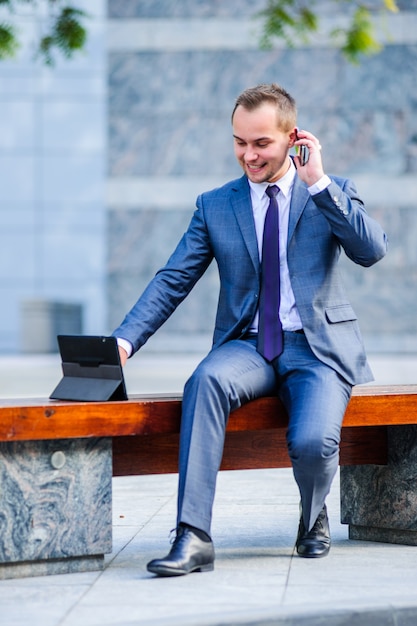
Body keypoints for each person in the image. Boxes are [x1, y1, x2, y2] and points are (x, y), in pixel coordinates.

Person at [112, 83, 388, 575]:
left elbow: (371, 250)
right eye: (240, 142)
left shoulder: (331, 191)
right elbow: (174, 278)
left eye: (261, 143)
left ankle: (312, 513)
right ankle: (193, 536)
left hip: (318, 348)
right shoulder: (216, 205)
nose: (248, 154)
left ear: (292, 138)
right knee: (204, 381)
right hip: (250, 346)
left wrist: (319, 182)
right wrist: (125, 341)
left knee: (311, 444)